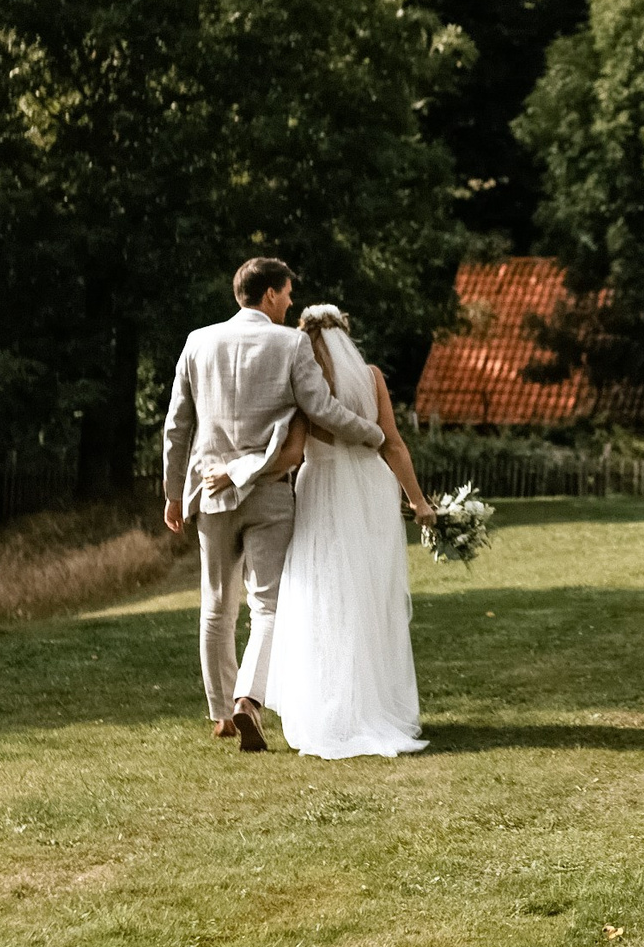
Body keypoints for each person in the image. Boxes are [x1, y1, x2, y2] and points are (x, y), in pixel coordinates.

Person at [161, 257, 383, 751]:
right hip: (270, 492)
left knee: (216, 606)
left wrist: (174, 493)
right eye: (285, 294)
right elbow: (322, 410)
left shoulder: (197, 341)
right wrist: (373, 434)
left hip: (211, 492)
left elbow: (177, 424)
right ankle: (248, 700)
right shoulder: (290, 344)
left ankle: (220, 714)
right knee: (268, 605)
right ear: (267, 295)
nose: (289, 303)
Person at [259, 305, 437, 759]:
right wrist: (417, 501)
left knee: (324, 591)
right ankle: (375, 705)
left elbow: (295, 453)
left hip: (323, 487)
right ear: (346, 333)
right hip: (370, 488)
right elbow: (393, 443)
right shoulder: (372, 377)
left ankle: (332, 710)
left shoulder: (306, 379)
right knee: (369, 594)